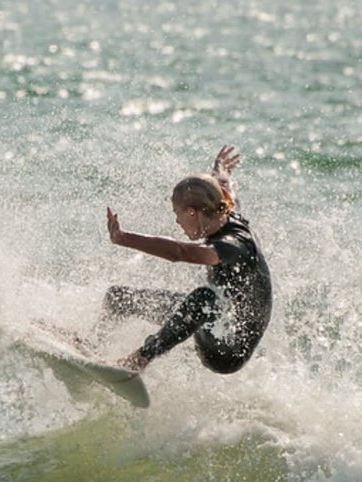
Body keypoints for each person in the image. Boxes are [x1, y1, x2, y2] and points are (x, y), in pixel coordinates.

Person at [100, 145, 272, 375]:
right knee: (118, 297)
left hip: (229, 349)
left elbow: (181, 252)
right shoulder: (223, 207)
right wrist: (220, 169)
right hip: (211, 317)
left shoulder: (234, 244)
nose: (177, 222)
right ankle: (93, 344)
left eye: (177, 214)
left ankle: (139, 359)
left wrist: (123, 238)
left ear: (192, 212)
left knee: (204, 298)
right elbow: (223, 187)